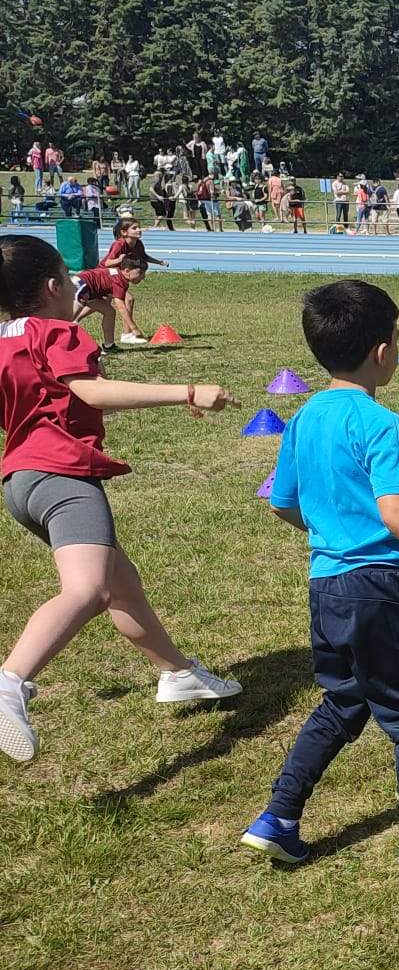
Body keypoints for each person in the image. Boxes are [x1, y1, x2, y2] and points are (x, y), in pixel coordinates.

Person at [239, 280, 399, 866]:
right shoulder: (380, 423)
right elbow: (397, 515)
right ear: (383, 351)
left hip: (328, 587)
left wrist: (331, 534)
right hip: (386, 590)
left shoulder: (302, 419)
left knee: (343, 702)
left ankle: (279, 815)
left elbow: (281, 501)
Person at [0, 236, 242, 763]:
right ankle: (11, 683)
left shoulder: (5, 339)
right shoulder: (60, 331)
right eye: (69, 277)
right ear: (51, 287)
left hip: (20, 483)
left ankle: (177, 672)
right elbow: (93, 391)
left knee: (120, 585)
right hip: (62, 477)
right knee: (87, 588)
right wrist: (187, 391)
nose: (75, 285)